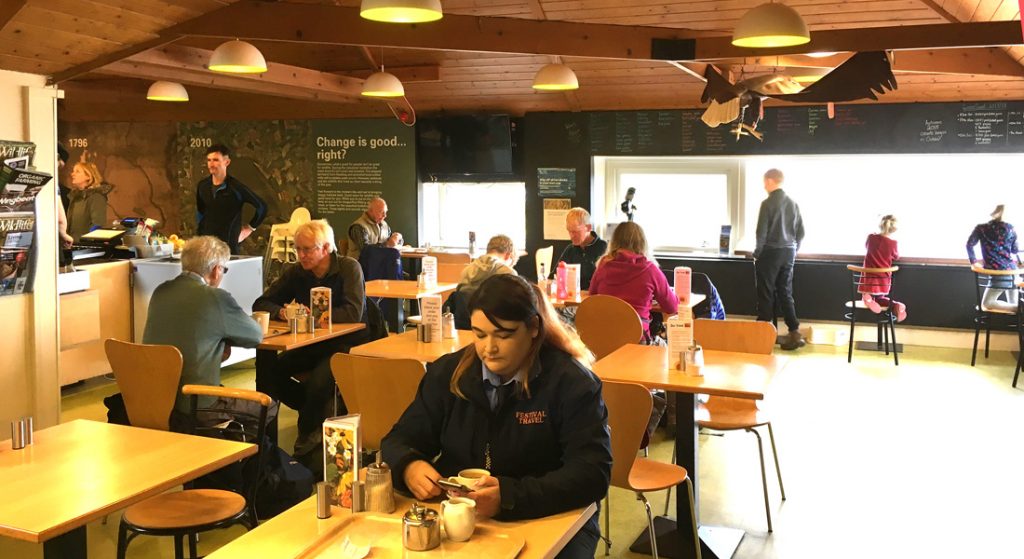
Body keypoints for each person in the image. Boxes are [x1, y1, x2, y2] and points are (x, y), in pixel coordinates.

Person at [382, 274, 610, 558]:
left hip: (555, 515)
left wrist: (508, 497)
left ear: (534, 328)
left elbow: (592, 473)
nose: (488, 348)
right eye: (479, 335)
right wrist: (409, 465)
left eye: (504, 335)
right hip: (465, 518)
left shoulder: (572, 383)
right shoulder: (447, 374)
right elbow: (397, 440)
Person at [253, 220, 369, 454]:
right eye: (298, 249)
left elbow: (353, 312)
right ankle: (267, 440)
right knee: (269, 371)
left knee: (319, 382)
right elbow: (262, 302)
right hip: (310, 344)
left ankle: (306, 438)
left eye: (307, 249)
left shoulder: (349, 268)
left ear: (326, 248)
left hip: (346, 344)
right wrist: (282, 312)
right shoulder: (296, 272)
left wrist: (314, 318)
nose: (301, 255)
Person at [141, 236, 272, 427]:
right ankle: (243, 455)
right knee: (268, 407)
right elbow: (255, 335)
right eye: (224, 269)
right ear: (216, 269)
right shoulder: (215, 298)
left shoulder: (160, 292)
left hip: (157, 402)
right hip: (198, 404)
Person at [588, 221, 677, 342]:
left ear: (614, 242)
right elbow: (672, 307)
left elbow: (592, 296)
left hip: (606, 340)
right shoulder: (650, 269)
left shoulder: (603, 266)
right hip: (637, 339)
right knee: (665, 345)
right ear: (643, 243)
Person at [753, 168, 805, 350]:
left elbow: (761, 232)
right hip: (788, 252)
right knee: (785, 292)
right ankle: (794, 331)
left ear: (769, 181)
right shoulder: (793, 203)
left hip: (770, 252)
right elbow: (801, 232)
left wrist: (757, 253)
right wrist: (794, 249)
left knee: (766, 292)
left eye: (764, 181)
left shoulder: (767, 204)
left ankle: (763, 334)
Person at [196, 144, 267, 254]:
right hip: (207, 247)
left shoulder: (236, 188)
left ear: (226, 162)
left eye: (215, 160)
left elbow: (262, 207)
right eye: (209, 160)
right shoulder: (203, 186)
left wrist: (249, 228)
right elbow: (200, 212)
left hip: (229, 248)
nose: (211, 164)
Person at [967, 204, 1021, 313]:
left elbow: (969, 244)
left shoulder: (981, 228)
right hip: (1013, 271)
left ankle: (1021, 309)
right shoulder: (1011, 229)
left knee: (987, 304)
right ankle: (1020, 310)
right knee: (1015, 306)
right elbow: (1015, 250)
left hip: (998, 272)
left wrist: (974, 261)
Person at [860, 215, 907, 322]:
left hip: (869, 279)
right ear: (894, 229)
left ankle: (867, 298)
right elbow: (896, 256)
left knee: (870, 296)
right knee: (880, 298)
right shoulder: (893, 243)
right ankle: (896, 305)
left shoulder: (871, 237)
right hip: (883, 280)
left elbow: (866, 246)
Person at [555, 208, 607, 290]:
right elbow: (555, 276)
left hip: (596, 298)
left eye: (575, 232)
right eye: (569, 231)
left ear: (588, 228)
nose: (571, 236)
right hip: (573, 297)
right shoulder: (570, 249)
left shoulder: (604, 249)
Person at [66, 160, 111, 242]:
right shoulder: (75, 198)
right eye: (73, 171)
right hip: (71, 245)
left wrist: (86, 242)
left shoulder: (96, 197)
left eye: (77, 171)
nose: (72, 174)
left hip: (84, 248)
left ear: (88, 176)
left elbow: (98, 224)